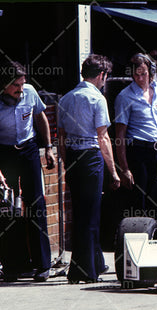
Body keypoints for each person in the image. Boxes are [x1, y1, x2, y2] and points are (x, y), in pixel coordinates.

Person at [0, 61, 55, 282]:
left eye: (23, 84)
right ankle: (14, 264)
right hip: (4, 153)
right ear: (4, 85)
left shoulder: (30, 92)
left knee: (36, 203)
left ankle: (42, 265)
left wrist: (48, 147)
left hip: (29, 149)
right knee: (9, 207)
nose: (21, 90)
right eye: (16, 86)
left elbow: (40, 116)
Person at [58, 54, 121, 283]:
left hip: (74, 156)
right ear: (101, 75)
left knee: (79, 213)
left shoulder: (66, 99)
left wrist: (66, 163)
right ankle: (86, 271)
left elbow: (61, 137)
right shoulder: (98, 99)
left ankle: (90, 264)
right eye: (106, 76)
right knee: (92, 215)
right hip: (91, 156)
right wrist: (113, 171)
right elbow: (103, 138)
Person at [115, 53, 157, 216]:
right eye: (136, 74)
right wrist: (124, 168)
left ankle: (156, 234)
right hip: (138, 152)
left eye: (143, 73)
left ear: (151, 71)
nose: (140, 78)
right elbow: (119, 135)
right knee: (139, 200)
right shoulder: (125, 96)